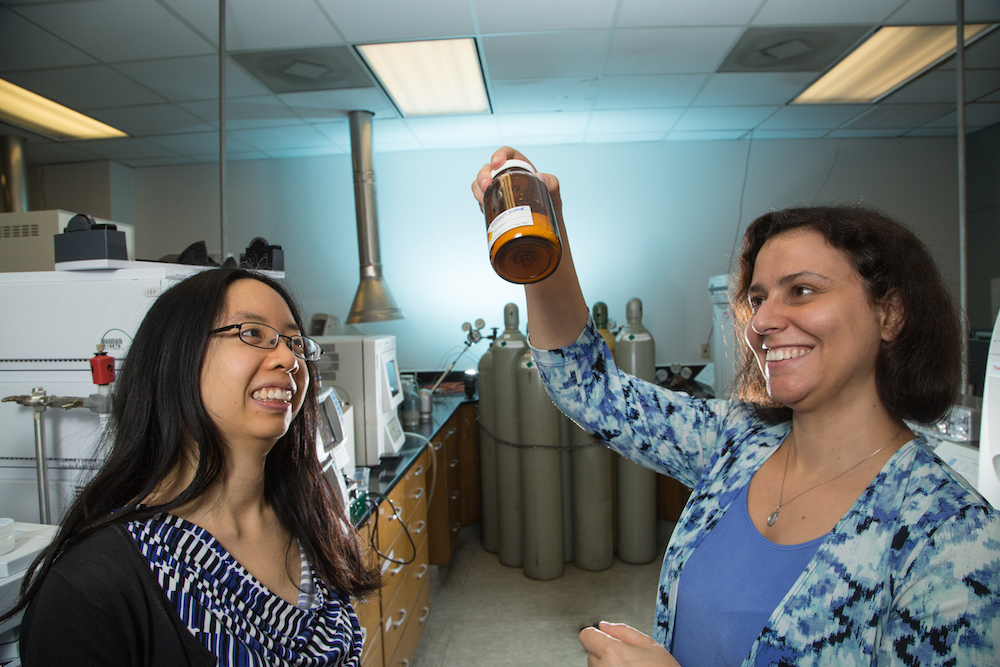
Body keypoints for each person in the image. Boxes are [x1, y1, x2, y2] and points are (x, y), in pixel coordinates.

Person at [472, 148, 1000, 666]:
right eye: (758, 297)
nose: (763, 321)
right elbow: (590, 389)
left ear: (889, 314)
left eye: (801, 290)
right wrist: (544, 246)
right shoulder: (739, 442)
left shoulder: (952, 536)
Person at [2, 268, 381, 666]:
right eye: (252, 333)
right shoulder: (92, 587)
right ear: (176, 359)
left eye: (294, 342)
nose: (289, 358)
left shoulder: (310, 520)